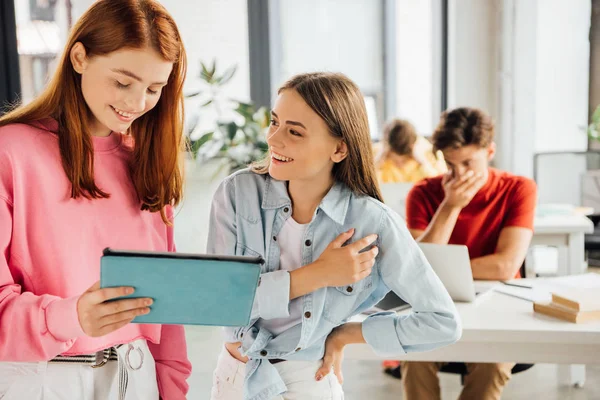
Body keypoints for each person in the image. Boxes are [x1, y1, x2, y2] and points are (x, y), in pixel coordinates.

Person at [206, 72, 462, 400]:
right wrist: (318, 275)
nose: (273, 139)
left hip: (308, 380)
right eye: (275, 122)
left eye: (294, 132)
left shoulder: (372, 221)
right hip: (235, 376)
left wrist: (346, 334)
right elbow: (218, 303)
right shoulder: (236, 193)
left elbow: (441, 321)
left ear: (339, 148)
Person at [0, 1, 191, 399]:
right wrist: (70, 317)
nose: (137, 104)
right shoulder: (11, 152)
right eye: (123, 82)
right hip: (43, 380)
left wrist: (173, 392)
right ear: (80, 57)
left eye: (154, 89)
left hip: (137, 379)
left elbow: (167, 314)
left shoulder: (146, 160)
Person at [399, 107, 537, 400]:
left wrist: (440, 268)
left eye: (467, 162)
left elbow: (504, 266)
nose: (458, 174)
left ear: (490, 151)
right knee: (413, 357)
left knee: (494, 363)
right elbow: (416, 266)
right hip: (437, 302)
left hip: (498, 303)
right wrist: (451, 206)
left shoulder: (518, 189)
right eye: (450, 164)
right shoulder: (423, 192)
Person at [374, 119, 446, 183]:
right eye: (395, 159)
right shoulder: (375, 153)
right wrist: (378, 162)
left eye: (404, 159)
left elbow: (440, 184)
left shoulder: (430, 153)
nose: (400, 163)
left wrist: (423, 163)